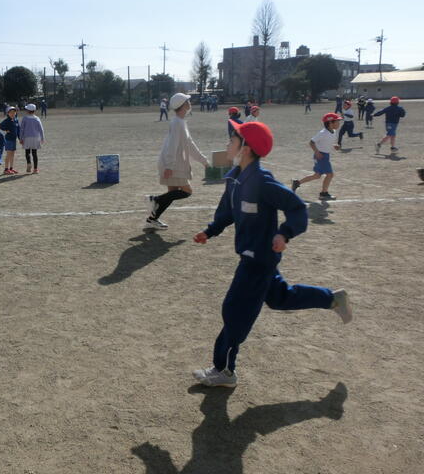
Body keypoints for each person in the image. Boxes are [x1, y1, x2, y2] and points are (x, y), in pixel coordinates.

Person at [191, 120, 352, 388]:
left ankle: (224, 371)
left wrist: (284, 233)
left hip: (259, 260)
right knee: (280, 298)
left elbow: (296, 207)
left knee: (234, 310)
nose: (227, 144)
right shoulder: (233, 179)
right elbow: (226, 213)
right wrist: (210, 231)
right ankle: (332, 299)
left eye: (232, 140)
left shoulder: (262, 182)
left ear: (246, 149)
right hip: (251, 256)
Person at [146, 93, 209, 229]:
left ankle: (152, 219)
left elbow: (190, 145)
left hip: (173, 164)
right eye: (188, 101)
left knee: (172, 193)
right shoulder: (177, 123)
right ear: (183, 105)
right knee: (187, 191)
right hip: (173, 165)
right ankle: (155, 199)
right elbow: (172, 145)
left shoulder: (180, 122)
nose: (190, 102)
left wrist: (203, 161)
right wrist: (169, 166)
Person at [291, 112, 342, 200]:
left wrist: (334, 146)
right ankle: (323, 194)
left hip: (325, 155)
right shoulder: (323, 133)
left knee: (317, 175)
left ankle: (297, 183)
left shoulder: (333, 131)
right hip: (321, 156)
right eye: (337, 121)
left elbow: (326, 142)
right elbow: (312, 142)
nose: (339, 123)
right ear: (330, 122)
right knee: (330, 174)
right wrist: (317, 152)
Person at [19, 103, 45, 173]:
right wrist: (42, 138)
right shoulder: (37, 118)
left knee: (27, 152)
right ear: (34, 111)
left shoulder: (25, 118)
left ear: (28, 110)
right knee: (34, 153)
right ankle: (35, 169)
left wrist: (21, 138)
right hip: (35, 138)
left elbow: (22, 129)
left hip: (27, 137)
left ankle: (29, 163)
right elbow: (41, 129)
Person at [0, 106, 20, 175]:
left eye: (14, 112)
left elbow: (18, 130)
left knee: (12, 154)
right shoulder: (7, 120)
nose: (13, 113)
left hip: (14, 139)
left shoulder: (16, 120)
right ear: (8, 113)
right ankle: (6, 169)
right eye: (11, 112)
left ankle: (11, 168)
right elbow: (0, 125)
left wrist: (20, 138)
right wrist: (6, 130)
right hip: (8, 140)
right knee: (8, 154)